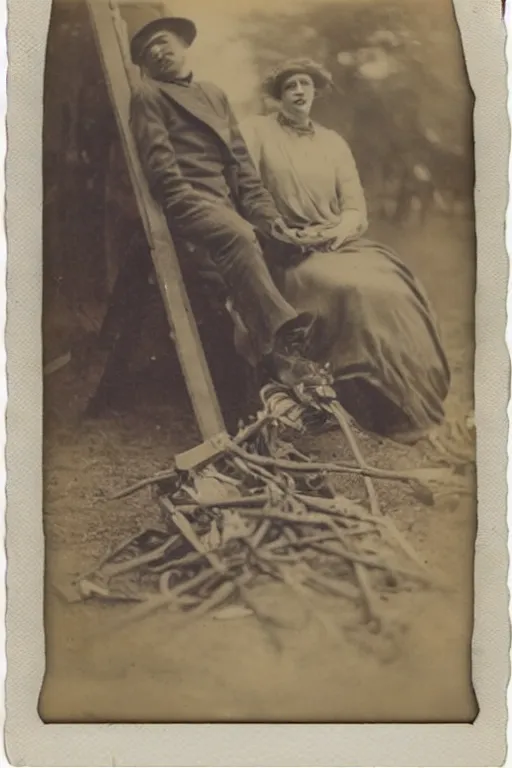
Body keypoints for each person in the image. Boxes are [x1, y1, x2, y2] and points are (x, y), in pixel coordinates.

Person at [239, 58, 451, 443]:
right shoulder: (257, 131)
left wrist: (334, 234)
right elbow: (246, 189)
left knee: (395, 287)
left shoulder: (333, 143)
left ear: (315, 92)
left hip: (336, 242)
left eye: (305, 84)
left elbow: (355, 207)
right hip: (286, 249)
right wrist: (281, 232)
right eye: (290, 86)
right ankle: (370, 403)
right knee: (354, 292)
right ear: (278, 96)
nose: (299, 92)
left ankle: (408, 403)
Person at [127, 13, 324, 389]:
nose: (158, 51)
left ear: (184, 46)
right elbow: (162, 172)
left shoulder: (214, 94)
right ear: (145, 65)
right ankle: (282, 336)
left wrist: (269, 217)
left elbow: (243, 166)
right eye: (148, 50)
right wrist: (225, 216)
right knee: (239, 236)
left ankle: (293, 370)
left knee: (284, 242)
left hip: (225, 203)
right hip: (186, 202)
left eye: (164, 41)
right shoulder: (148, 95)